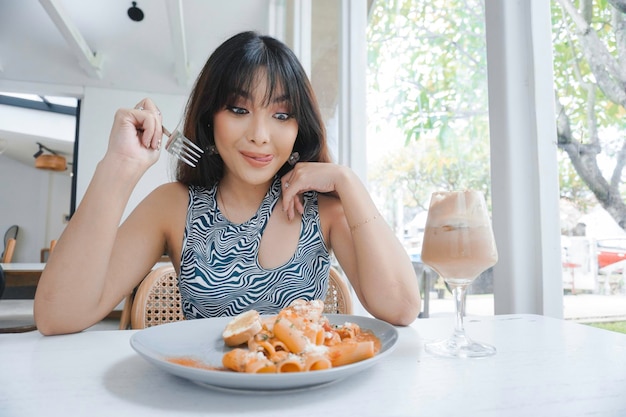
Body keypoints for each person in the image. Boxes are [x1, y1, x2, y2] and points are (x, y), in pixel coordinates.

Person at [34, 31, 421, 335]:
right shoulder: (173, 206)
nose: (260, 134)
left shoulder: (325, 210)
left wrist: (347, 182)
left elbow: (402, 308)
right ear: (209, 118)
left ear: (300, 126)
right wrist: (118, 165)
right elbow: (58, 316)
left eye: (281, 115)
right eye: (239, 109)